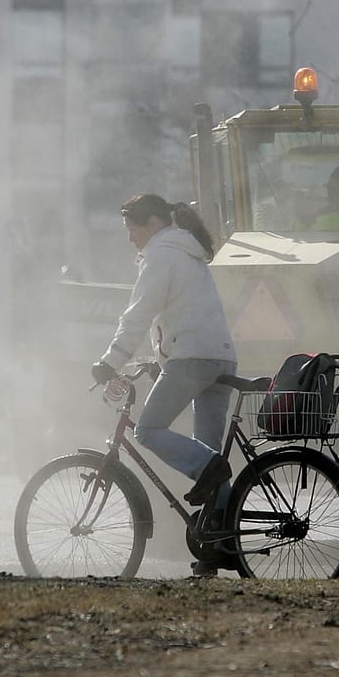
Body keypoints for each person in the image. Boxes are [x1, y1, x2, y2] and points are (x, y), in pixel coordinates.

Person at [91, 194, 237, 573]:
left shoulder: (162, 254)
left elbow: (138, 314)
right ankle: (216, 550)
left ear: (152, 224)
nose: (130, 239)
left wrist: (110, 361)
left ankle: (210, 468)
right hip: (217, 356)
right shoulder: (187, 252)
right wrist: (158, 363)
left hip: (193, 357)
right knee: (209, 454)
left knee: (149, 430)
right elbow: (186, 312)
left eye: (132, 230)